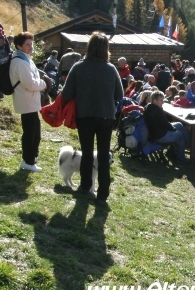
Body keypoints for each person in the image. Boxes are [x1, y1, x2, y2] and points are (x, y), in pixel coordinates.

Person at [61, 32, 124, 206]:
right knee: (103, 155)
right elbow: (120, 95)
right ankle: (103, 193)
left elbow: (66, 94)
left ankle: (85, 186)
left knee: (87, 152)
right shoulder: (111, 69)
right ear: (106, 49)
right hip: (106, 116)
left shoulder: (79, 67)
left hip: (85, 115)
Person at [9, 32, 48, 172]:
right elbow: (30, 84)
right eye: (27, 44)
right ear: (19, 46)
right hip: (26, 102)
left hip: (30, 102)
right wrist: (43, 83)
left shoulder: (25, 59)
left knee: (34, 133)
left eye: (31, 44)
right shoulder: (19, 62)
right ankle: (28, 161)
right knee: (31, 134)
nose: (31, 46)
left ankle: (31, 160)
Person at [144, 90, 190, 163]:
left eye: (163, 100)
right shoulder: (157, 110)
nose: (163, 102)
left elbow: (164, 124)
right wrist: (174, 129)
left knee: (180, 124)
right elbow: (166, 124)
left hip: (155, 132)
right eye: (161, 100)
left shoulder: (148, 106)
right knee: (180, 134)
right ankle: (181, 158)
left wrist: (173, 128)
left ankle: (175, 150)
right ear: (154, 100)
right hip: (159, 136)